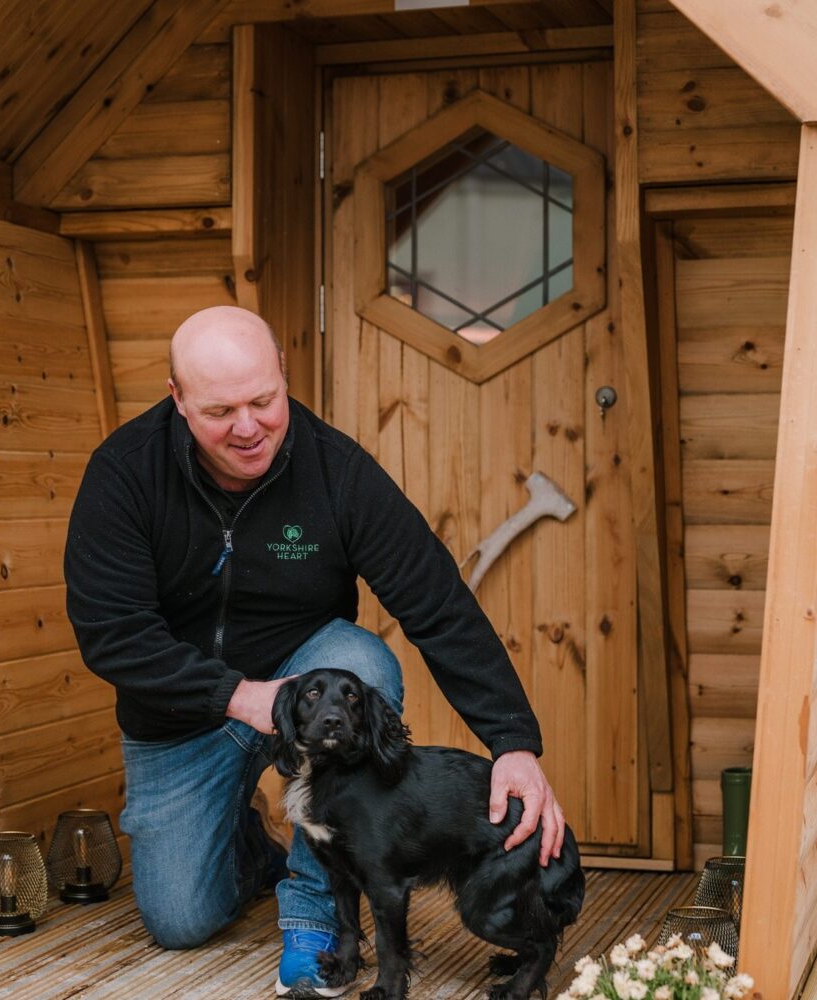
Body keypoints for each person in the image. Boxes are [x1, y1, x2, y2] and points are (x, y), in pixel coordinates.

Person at [64, 305, 565, 998]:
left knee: (361, 665)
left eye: (264, 401)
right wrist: (243, 698)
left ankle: (312, 914)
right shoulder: (123, 473)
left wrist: (513, 741)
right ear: (176, 399)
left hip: (305, 684)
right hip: (181, 709)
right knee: (180, 917)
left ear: (283, 377)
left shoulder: (338, 471)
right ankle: (245, 848)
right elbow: (111, 632)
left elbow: (438, 604)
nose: (248, 427)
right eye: (220, 410)